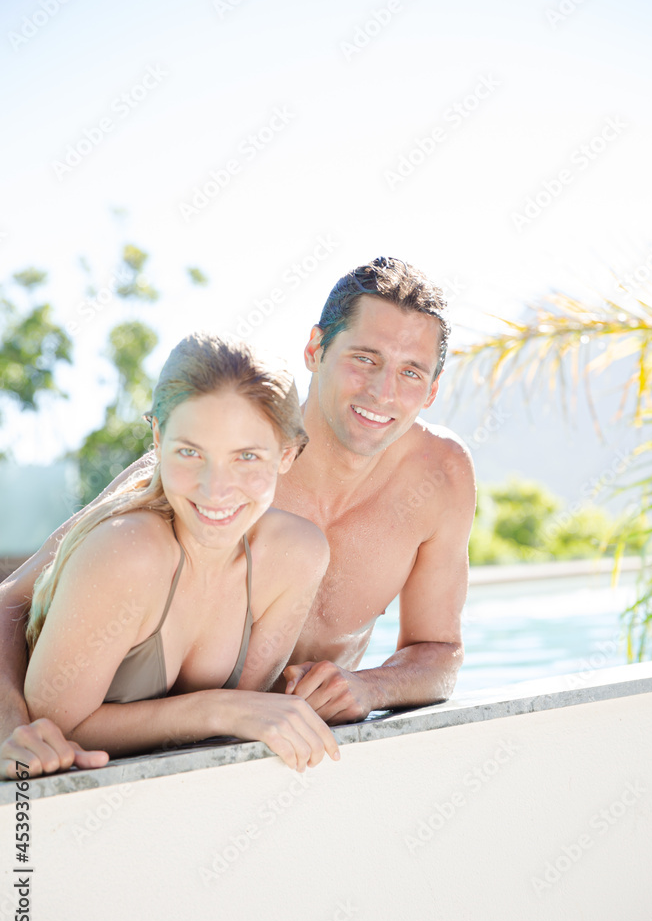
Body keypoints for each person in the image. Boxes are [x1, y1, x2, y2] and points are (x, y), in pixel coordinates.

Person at [0, 256, 476, 778]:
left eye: (411, 372)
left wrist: (368, 687)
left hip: (284, 752)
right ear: (315, 349)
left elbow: (441, 653)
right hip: (143, 736)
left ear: (432, 389)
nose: (383, 392)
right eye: (365, 358)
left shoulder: (442, 476)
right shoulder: (216, 473)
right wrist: (11, 723)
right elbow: (14, 599)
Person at [8, 332, 339, 775]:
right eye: (189, 452)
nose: (215, 489)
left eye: (246, 457)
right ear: (158, 438)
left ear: (287, 454)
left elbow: (242, 722)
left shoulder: (297, 557)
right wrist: (215, 709)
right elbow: (54, 731)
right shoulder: (129, 551)